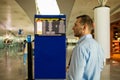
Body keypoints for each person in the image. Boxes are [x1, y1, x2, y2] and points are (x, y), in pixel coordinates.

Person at [67, 15, 105, 80]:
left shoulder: (80, 48)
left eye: (76, 25)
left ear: (84, 27)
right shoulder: (98, 45)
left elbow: (75, 78)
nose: (73, 28)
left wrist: (69, 72)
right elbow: (100, 67)